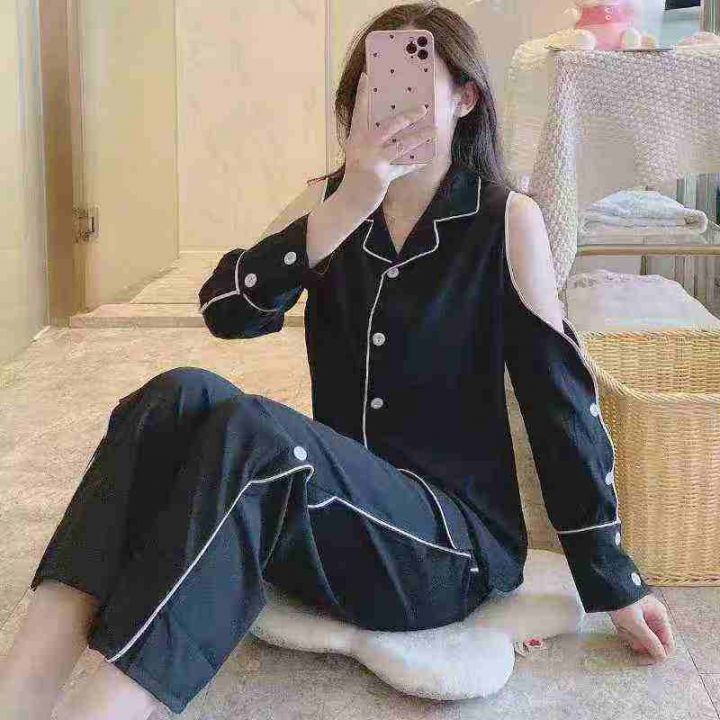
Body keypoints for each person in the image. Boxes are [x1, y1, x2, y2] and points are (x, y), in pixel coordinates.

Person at [0, 2, 675, 718]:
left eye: (414, 85)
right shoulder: (331, 203)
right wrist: (350, 201)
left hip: (449, 548)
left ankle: (106, 709)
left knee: (257, 436)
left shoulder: (507, 219)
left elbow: (558, 401)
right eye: (373, 89)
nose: (390, 105)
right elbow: (225, 311)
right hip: (333, 525)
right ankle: (22, 690)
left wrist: (612, 576)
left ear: (467, 98)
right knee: (175, 395)